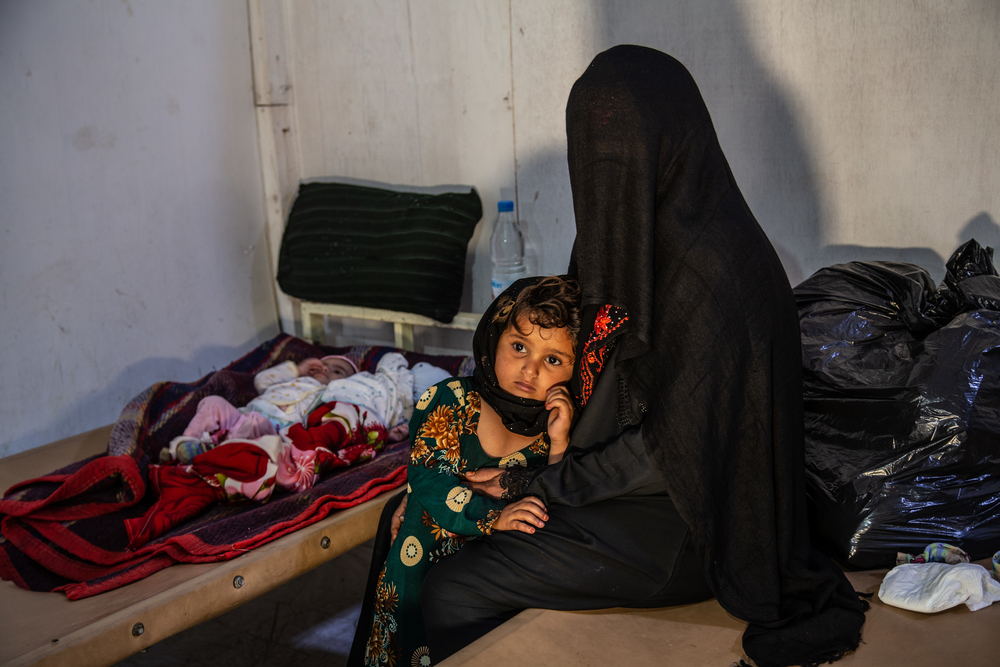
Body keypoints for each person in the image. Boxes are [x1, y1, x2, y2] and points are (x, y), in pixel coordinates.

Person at [412, 46, 867, 667]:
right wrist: (495, 469)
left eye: (623, 145)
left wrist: (540, 481)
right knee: (437, 522)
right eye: (592, 149)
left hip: (689, 523)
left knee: (453, 588)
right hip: (608, 490)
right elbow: (573, 380)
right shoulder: (619, 234)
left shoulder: (718, 276)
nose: (607, 170)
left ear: (673, 140)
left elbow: (674, 454)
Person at [362, 276, 581, 667]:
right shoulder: (451, 400)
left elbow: (558, 499)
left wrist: (561, 442)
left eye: (552, 360)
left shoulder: (555, 430)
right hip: (416, 575)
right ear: (494, 339)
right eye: (519, 346)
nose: (530, 369)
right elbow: (430, 481)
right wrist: (495, 516)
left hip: (492, 588)